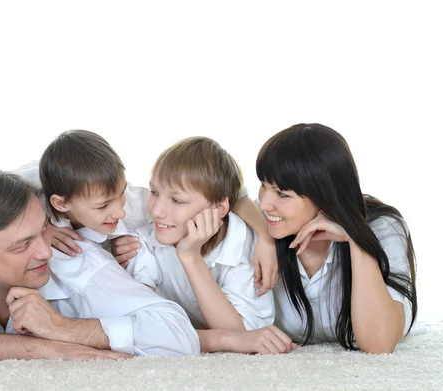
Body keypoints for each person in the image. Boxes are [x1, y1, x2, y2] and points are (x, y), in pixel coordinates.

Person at [0, 170, 200, 364]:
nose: (44, 251)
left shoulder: (71, 254)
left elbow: (177, 334)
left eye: (43, 229)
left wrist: (60, 327)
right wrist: (47, 348)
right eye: (22, 244)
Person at [115, 136, 294, 354]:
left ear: (219, 209)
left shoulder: (243, 247)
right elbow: (146, 329)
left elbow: (243, 335)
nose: (157, 210)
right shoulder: (142, 236)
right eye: (154, 192)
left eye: (177, 200)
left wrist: (190, 256)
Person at [256, 123, 418, 353]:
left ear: (325, 196)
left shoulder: (383, 227)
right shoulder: (259, 221)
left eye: (283, 194)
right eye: (263, 186)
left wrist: (356, 240)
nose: (264, 204)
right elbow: (227, 191)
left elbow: (379, 344)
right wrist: (263, 236)